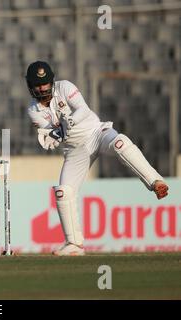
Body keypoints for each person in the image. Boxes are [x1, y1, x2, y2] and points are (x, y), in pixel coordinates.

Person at [25, 61, 169, 256]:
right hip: (75, 150)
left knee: (120, 142)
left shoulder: (65, 87)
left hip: (96, 133)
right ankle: (74, 244)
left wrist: (70, 121)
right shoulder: (33, 110)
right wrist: (54, 136)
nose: (42, 89)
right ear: (30, 86)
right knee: (63, 193)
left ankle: (155, 181)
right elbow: (54, 135)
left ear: (52, 81)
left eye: (45, 84)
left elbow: (83, 110)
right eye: (37, 85)